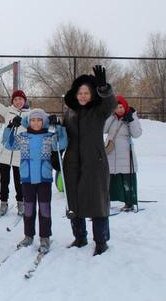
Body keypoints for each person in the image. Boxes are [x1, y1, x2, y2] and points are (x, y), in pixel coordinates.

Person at [63, 65, 117, 255]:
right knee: (74, 201)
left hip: (95, 162)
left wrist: (104, 89)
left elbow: (111, 104)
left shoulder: (99, 110)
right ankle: (80, 237)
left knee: (97, 201)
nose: (83, 96)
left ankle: (101, 241)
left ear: (92, 94)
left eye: (87, 92)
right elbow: (63, 137)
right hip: (72, 163)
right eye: (80, 93)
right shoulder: (69, 112)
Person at [4, 109, 67, 253]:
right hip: (27, 178)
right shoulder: (23, 136)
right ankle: (28, 235)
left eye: (39, 120)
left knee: (44, 209)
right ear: (28, 122)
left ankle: (45, 237)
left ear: (44, 122)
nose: (36, 123)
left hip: (44, 178)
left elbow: (62, 143)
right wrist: (10, 127)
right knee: (28, 209)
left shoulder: (49, 137)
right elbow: (9, 144)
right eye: (33, 120)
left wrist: (58, 126)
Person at [0, 74, 29, 217]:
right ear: (13, 101)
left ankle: (21, 203)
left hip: (20, 153)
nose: (18, 102)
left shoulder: (28, 115)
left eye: (20, 99)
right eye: (16, 99)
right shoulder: (8, 111)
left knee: (19, 181)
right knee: (4, 180)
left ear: (24, 100)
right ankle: (3, 202)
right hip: (5, 152)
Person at [104, 95, 142, 211]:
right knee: (110, 179)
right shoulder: (111, 117)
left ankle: (129, 202)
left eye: (121, 107)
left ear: (125, 106)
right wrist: (110, 115)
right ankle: (107, 202)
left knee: (127, 178)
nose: (119, 109)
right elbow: (103, 129)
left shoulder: (132, 116)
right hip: (111, 153)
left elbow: (137, 134)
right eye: (116, 107)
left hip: (125, 154)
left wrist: (131, 121)